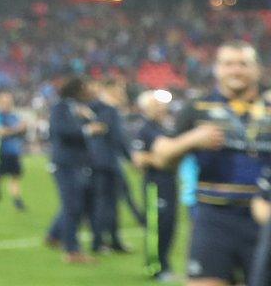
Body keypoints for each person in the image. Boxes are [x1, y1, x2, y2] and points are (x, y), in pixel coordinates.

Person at [153, 42, 271, 286]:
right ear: (217, 69)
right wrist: (191, 139)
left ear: (257, 69)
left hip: (265, 219)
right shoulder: (197, 107)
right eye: (228, 64)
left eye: (243, 64)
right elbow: (162, 157)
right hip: (214, 218)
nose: (235, 70)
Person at [47, 75, 103, 264]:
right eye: (85, 87)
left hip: (75, 163)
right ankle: (72, 250)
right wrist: (88, 130)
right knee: (73, 206)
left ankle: (54, 235)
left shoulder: (76, 108)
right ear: (77, 89)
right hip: (66, 163)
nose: (89, 91)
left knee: (73, 203)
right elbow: (61, 131)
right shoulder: (61, 107)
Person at [132, 89, 181, 282]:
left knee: (169, 225)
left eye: (162, 105)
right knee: (156, 227)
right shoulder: (144, 129)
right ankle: (154, 267)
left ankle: (165, 264)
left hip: (170, 181)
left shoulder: (166, 128)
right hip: (154, 183)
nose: (161, 108)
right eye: (156, 105)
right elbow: (138, 159)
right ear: (147, 108)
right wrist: (160, 158)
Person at [91, 79, 132, 255]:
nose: (123, 93)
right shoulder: (100, 109)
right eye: (120, 88)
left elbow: (118, 139)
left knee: (112, 204)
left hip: (111, 163)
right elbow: (115, 139)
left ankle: (114, 241)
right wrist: (131, 158)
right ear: (110, 89)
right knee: (102, 204)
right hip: (102, 163)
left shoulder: (109, 110)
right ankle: (98, 242)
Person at [0, 90, 28, 212]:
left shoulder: (14, 116)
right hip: (0, 153)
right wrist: (17, 129)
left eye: (9, 102)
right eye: (4, 102)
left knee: (15, 177)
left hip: (14, 152)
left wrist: (23, 129)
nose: (7, 104)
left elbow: (21, 132)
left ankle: (17, 202)